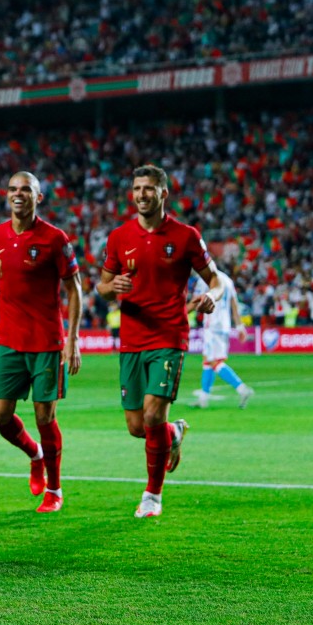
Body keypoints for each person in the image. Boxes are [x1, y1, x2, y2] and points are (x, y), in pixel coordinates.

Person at [96, 165, 222, 519]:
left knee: (152, 413)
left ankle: (152, 495)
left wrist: (212, 295)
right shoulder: (119, 236)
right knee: (138, 426)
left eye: (149, 188)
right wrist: (112, 287)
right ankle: (174, 432)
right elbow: (103, 287)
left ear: (163, 193)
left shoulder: (185, 236)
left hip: (169, 336)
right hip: (132, 339)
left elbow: (216, 280)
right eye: (137, 188)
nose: (141, 194)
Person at [0, 172, 83, 513]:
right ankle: (35, 454)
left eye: (26, 189)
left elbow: (75, 289)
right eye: (12, 188)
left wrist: (72, 339)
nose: (18, 194)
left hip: (47, 341)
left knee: (45, 416)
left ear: (38, 197)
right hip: (8, 339)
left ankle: (54, 490)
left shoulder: (55, 239)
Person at [190, 269, 254, 409]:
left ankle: (242, 389)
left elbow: (196, 301)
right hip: (223, 325)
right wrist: (240, 327)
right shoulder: (227, 280)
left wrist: (182, 313)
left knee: (214, 361)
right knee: (207, 359)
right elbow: (234, 304)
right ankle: (204, 399)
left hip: (212, 324)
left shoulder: (204, 279)